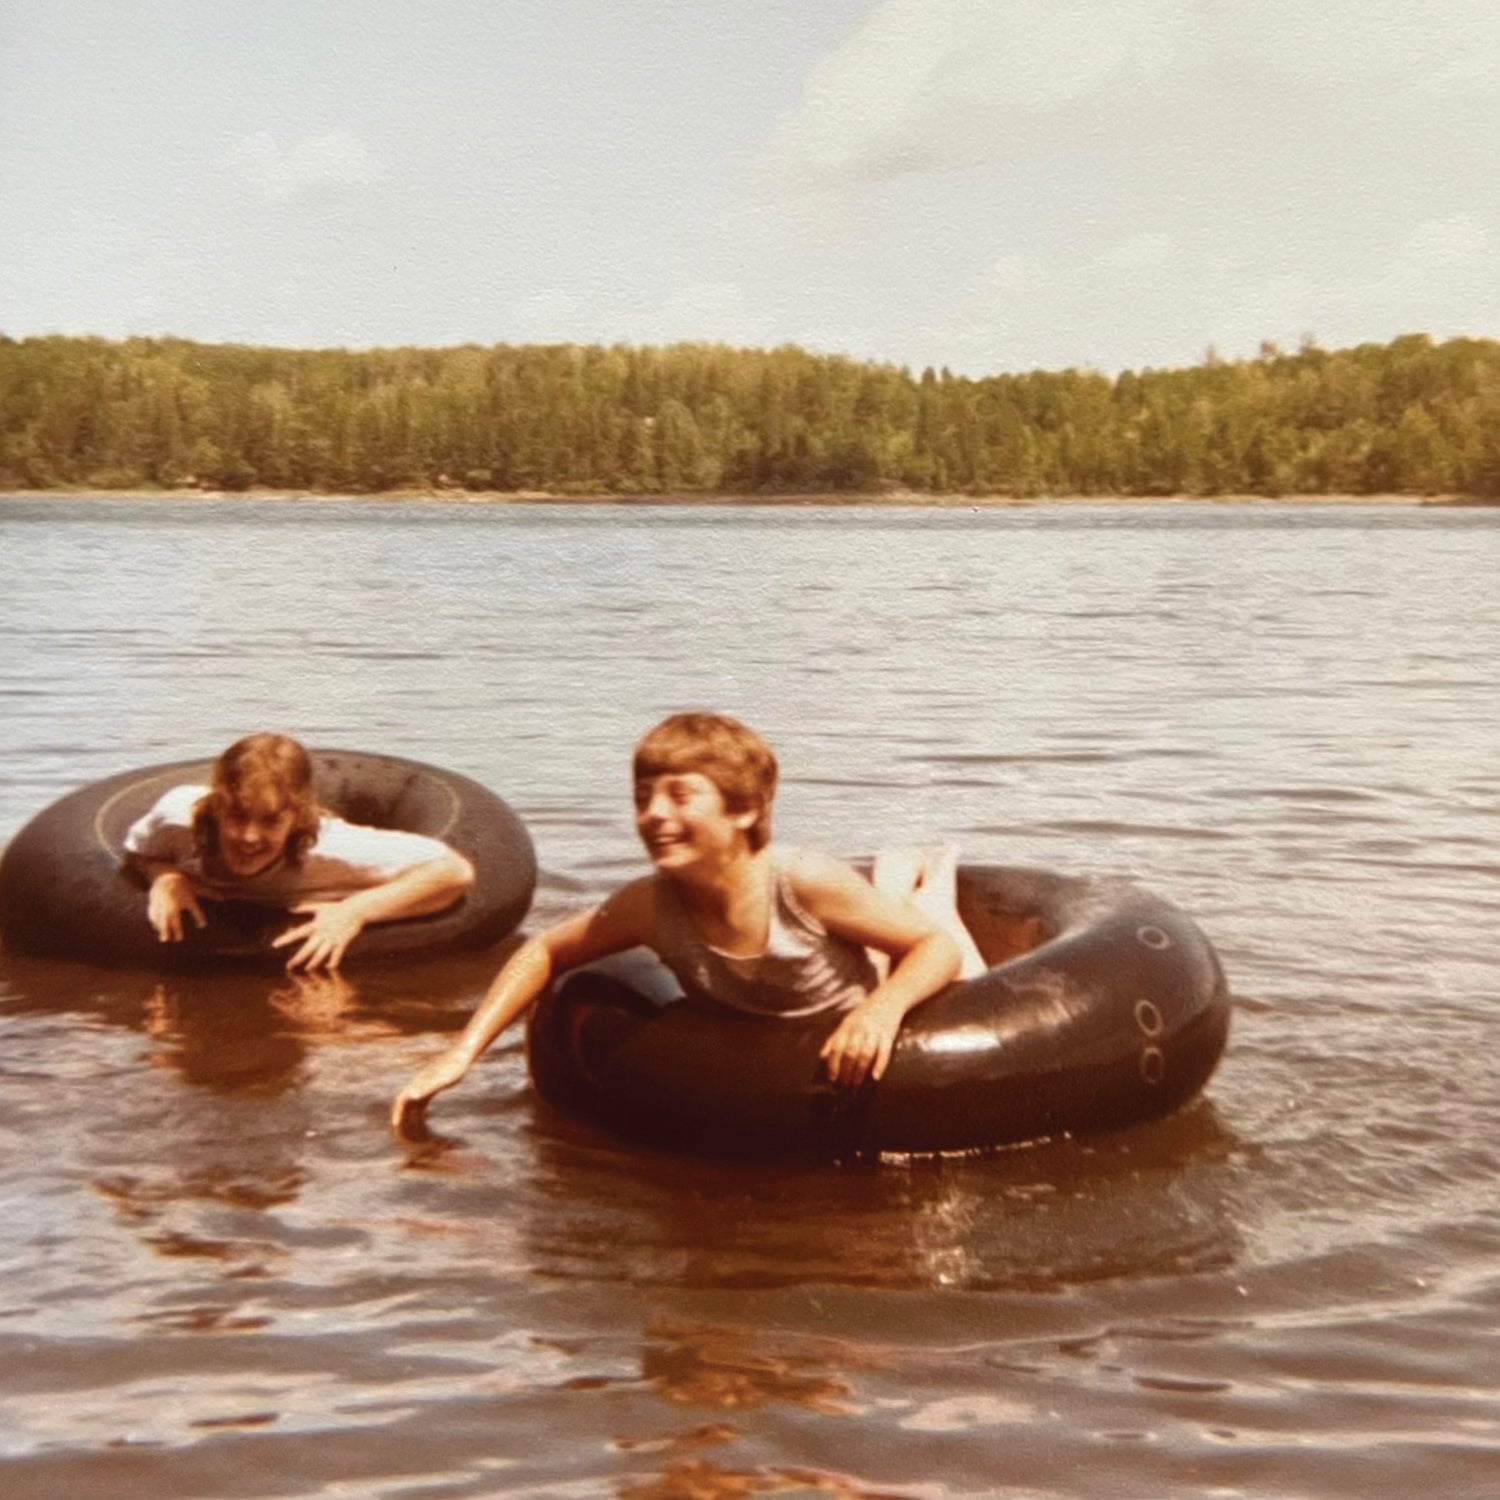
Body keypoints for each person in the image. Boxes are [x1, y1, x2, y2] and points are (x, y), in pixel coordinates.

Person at [391, 712, 985, 1134]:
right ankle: (895, 885)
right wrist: (461, 1054)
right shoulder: (650, 905)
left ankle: (925, 880)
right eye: (643, 796)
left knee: (947, 950)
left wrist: (881, 1009)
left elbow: (934, 950)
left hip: (849, 995)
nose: (653, 815)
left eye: (679, 796)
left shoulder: (802, 881)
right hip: (777, 1020)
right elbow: (544, 950)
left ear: (744, 809)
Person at [122, 733, 476, 970]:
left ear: (297, 817)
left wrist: (355, 911)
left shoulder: (329, 849)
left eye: (271, 821)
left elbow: (453, 871)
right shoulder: (177, 819)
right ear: (216, 805)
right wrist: (165, 877)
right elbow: (137, 851)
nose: (249, 837)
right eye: (237, 816)